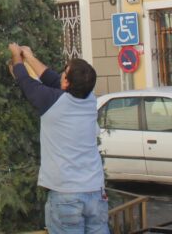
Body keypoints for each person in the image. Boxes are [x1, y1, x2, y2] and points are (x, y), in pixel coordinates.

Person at [8, 42, 109, 234]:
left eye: (65, 72)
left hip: (66, 194)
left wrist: (16, 56)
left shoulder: (51, 101)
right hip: (95, 191)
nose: (61, 74)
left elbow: (24, 80)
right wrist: (29, 55)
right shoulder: (89, 99)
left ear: (66, 84)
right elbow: (52, 78)